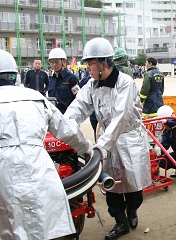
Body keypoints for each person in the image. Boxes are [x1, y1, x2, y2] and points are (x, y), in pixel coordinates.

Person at [0, 49, 93, 240]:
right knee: (44, 221)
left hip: (1, 172)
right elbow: (68, 131)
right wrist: (89, 150)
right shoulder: (35, 97)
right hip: (38, 165)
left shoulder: (68, 78)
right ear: (15, 75)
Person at [64, 37, 151, 240]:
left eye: (90, 64)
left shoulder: (125, 83)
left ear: (104, 63)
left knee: (133, 187)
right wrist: (62, 124)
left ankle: (133, 210)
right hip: (107, 142)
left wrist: (100, 147)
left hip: (129, 139)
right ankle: (120, 222)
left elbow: (121, 118)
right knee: (110, 185)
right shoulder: (92, 86)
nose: (88, 69)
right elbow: (77, 108)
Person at [47, 48, 80, 113]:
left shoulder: (71, 78)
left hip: (68, 116)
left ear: (64, 62)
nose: (54, 64)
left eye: (57, 62)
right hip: (54, 115)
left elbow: (78, 98)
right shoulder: (51, 79)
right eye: (52, 62)